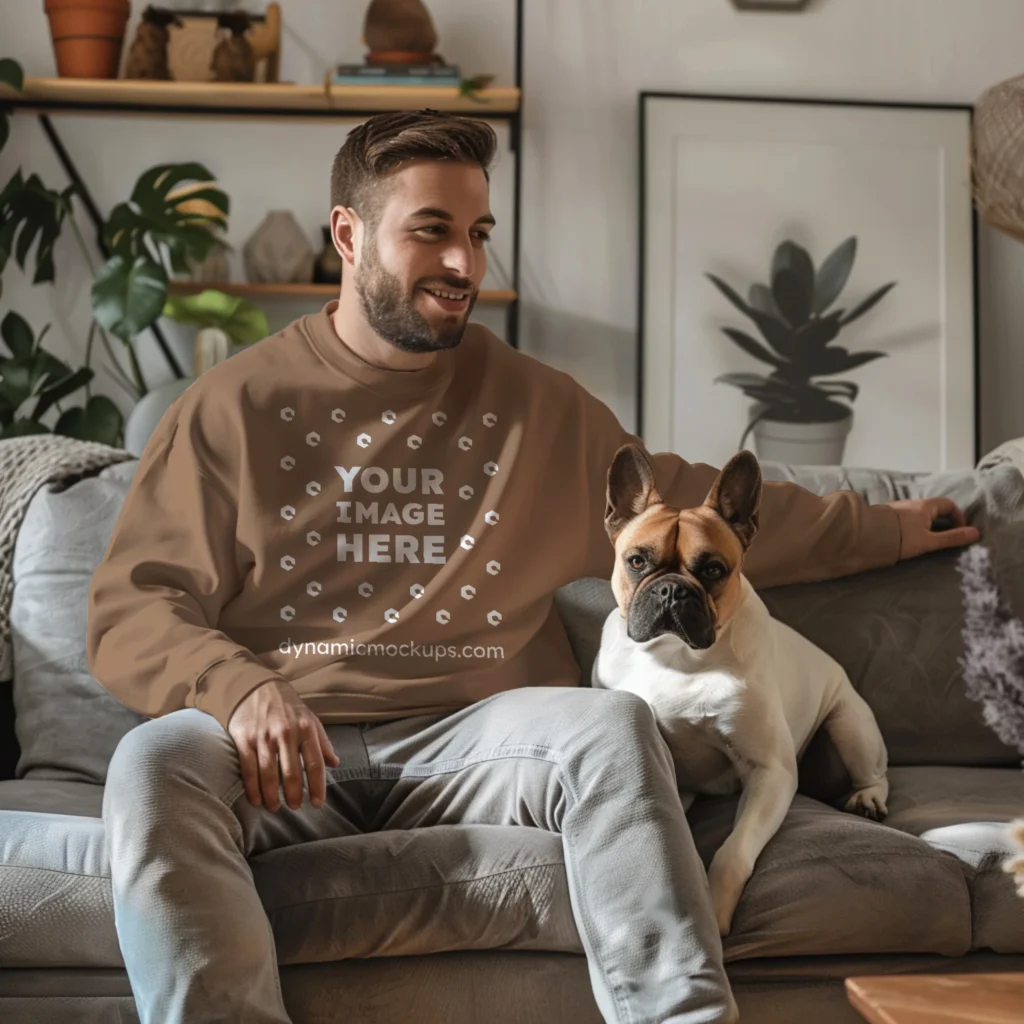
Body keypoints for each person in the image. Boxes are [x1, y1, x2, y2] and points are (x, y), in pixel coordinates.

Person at [87, 109, 979, 1024]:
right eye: (431, 231)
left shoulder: (537, 408)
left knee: (611, 729)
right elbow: (130, 606)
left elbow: (695, 509)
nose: (465, 266)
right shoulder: (232, 407)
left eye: (478, 235)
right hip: (283, 750)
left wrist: (890, 528)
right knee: (151, 765)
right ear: (348, 237)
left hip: (482, 739)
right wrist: (237, 690)